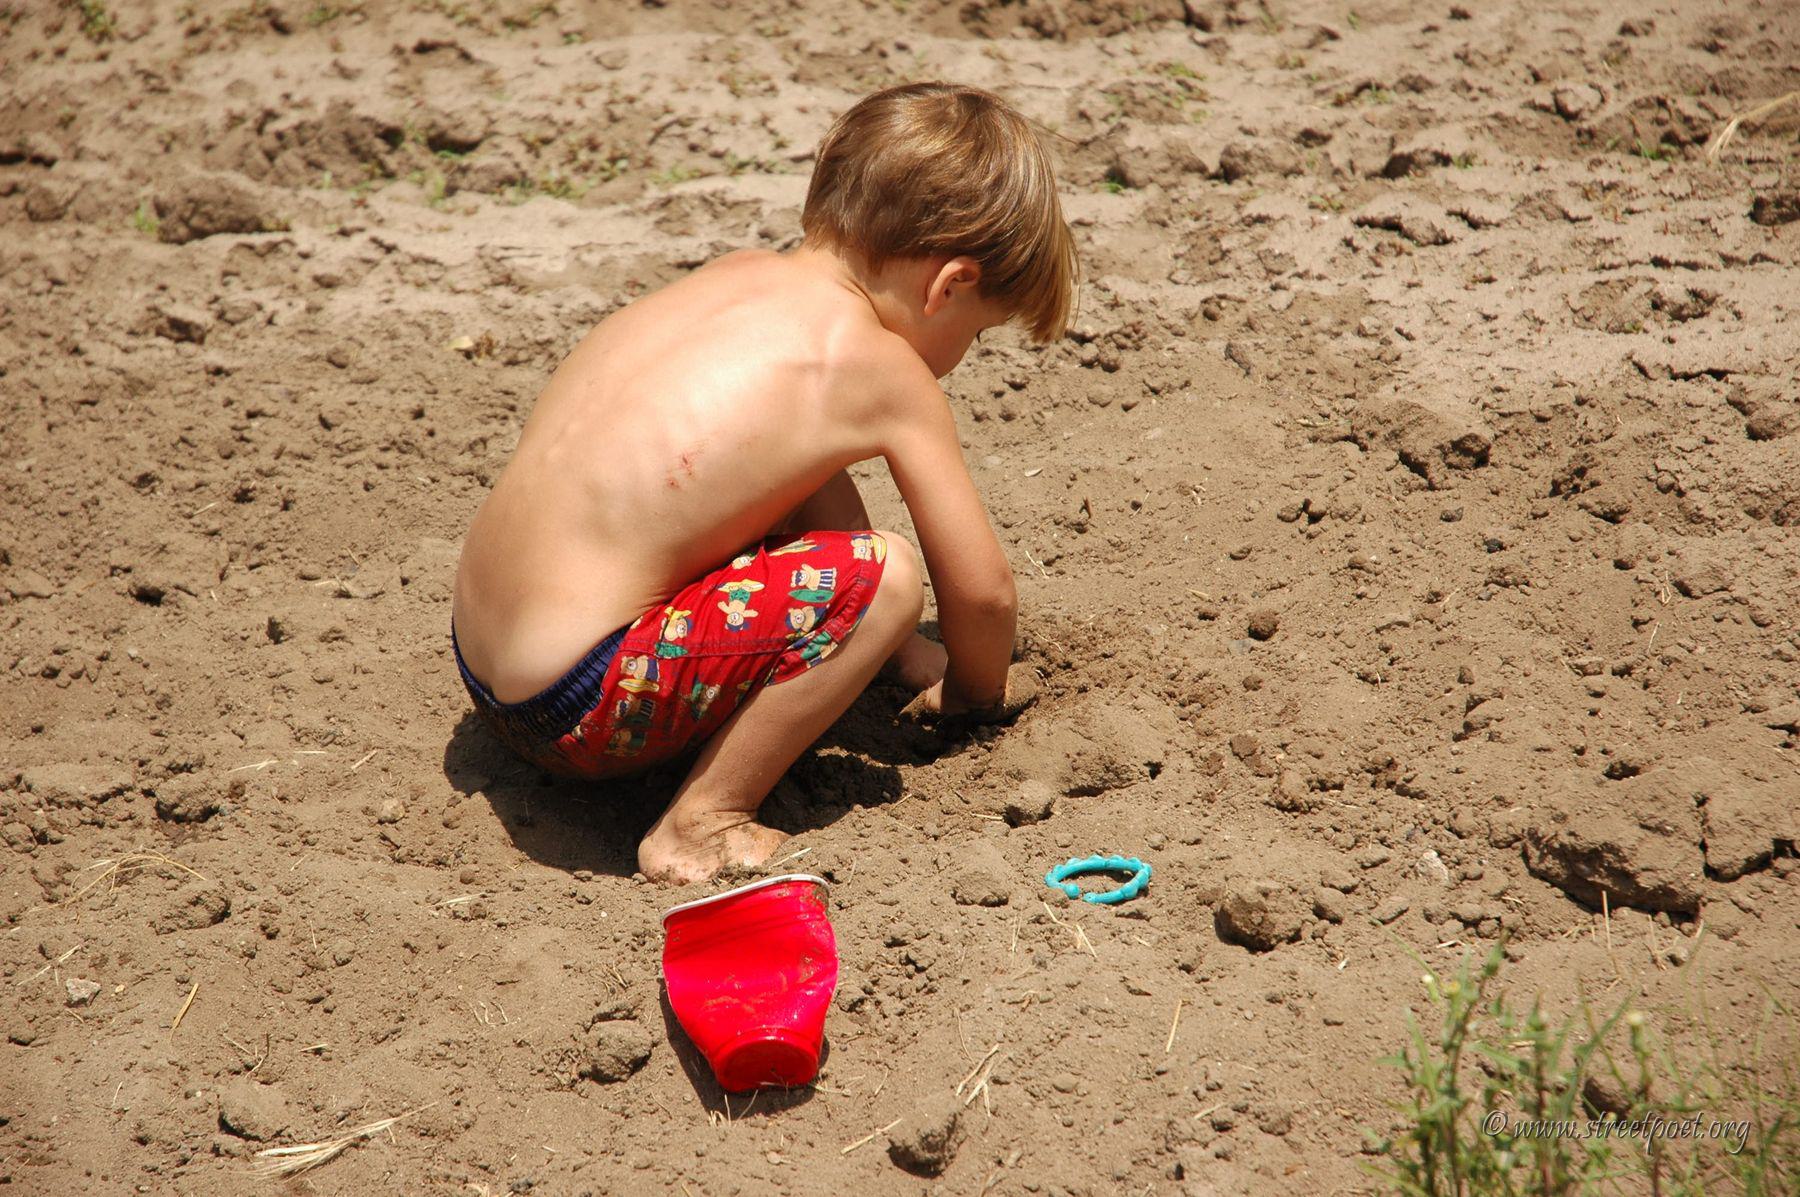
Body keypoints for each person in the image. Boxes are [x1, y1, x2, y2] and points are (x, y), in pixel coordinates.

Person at [451, 81, 1077, 883]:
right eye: (979, 333)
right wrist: (971, 696)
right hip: (582, 706)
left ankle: (886, 654)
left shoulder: (736, 278)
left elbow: (807, 490)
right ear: (948, 285)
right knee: (886, 578)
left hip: (485, 668)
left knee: (814, 515)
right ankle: (701, 822)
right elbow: (984, 596)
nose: (967, 352)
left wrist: (901, 656)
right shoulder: (880, 367)